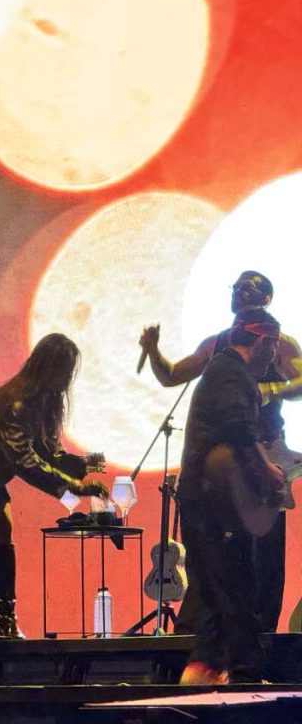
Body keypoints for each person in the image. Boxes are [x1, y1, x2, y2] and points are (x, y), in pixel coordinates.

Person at [139, 270, 302, 632]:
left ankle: (257, 637)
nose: (240, 292)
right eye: (236, 287)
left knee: (264, 560)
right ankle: (214, 642)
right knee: (223, 562)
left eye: (249, 288)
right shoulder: (218, 347)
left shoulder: (278, 340)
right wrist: (153, 352)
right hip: (233, 466)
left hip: (263, 458)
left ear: (267, 299)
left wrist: (270, 390)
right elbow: (171, 376)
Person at [0, 333, 108, 639]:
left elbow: (50, 453)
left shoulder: (45, 401)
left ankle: (4, 616)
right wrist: (76, 487)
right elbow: (25, 460)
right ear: (50, 367)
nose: (68, 377)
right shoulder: (18, 402)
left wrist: (88, 465)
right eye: (65, 369)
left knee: (3, 529)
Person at [177, 309, 285, 684]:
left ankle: (205, 668)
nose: (274, 357)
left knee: (215, 587)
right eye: (274, 347)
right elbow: (236, 426)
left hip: (204, 499)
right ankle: (244, 674)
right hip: (213, 504)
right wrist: (267, 470)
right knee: (236, 585)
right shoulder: (230, 372)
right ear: (264, 341)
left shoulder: (225, 371)